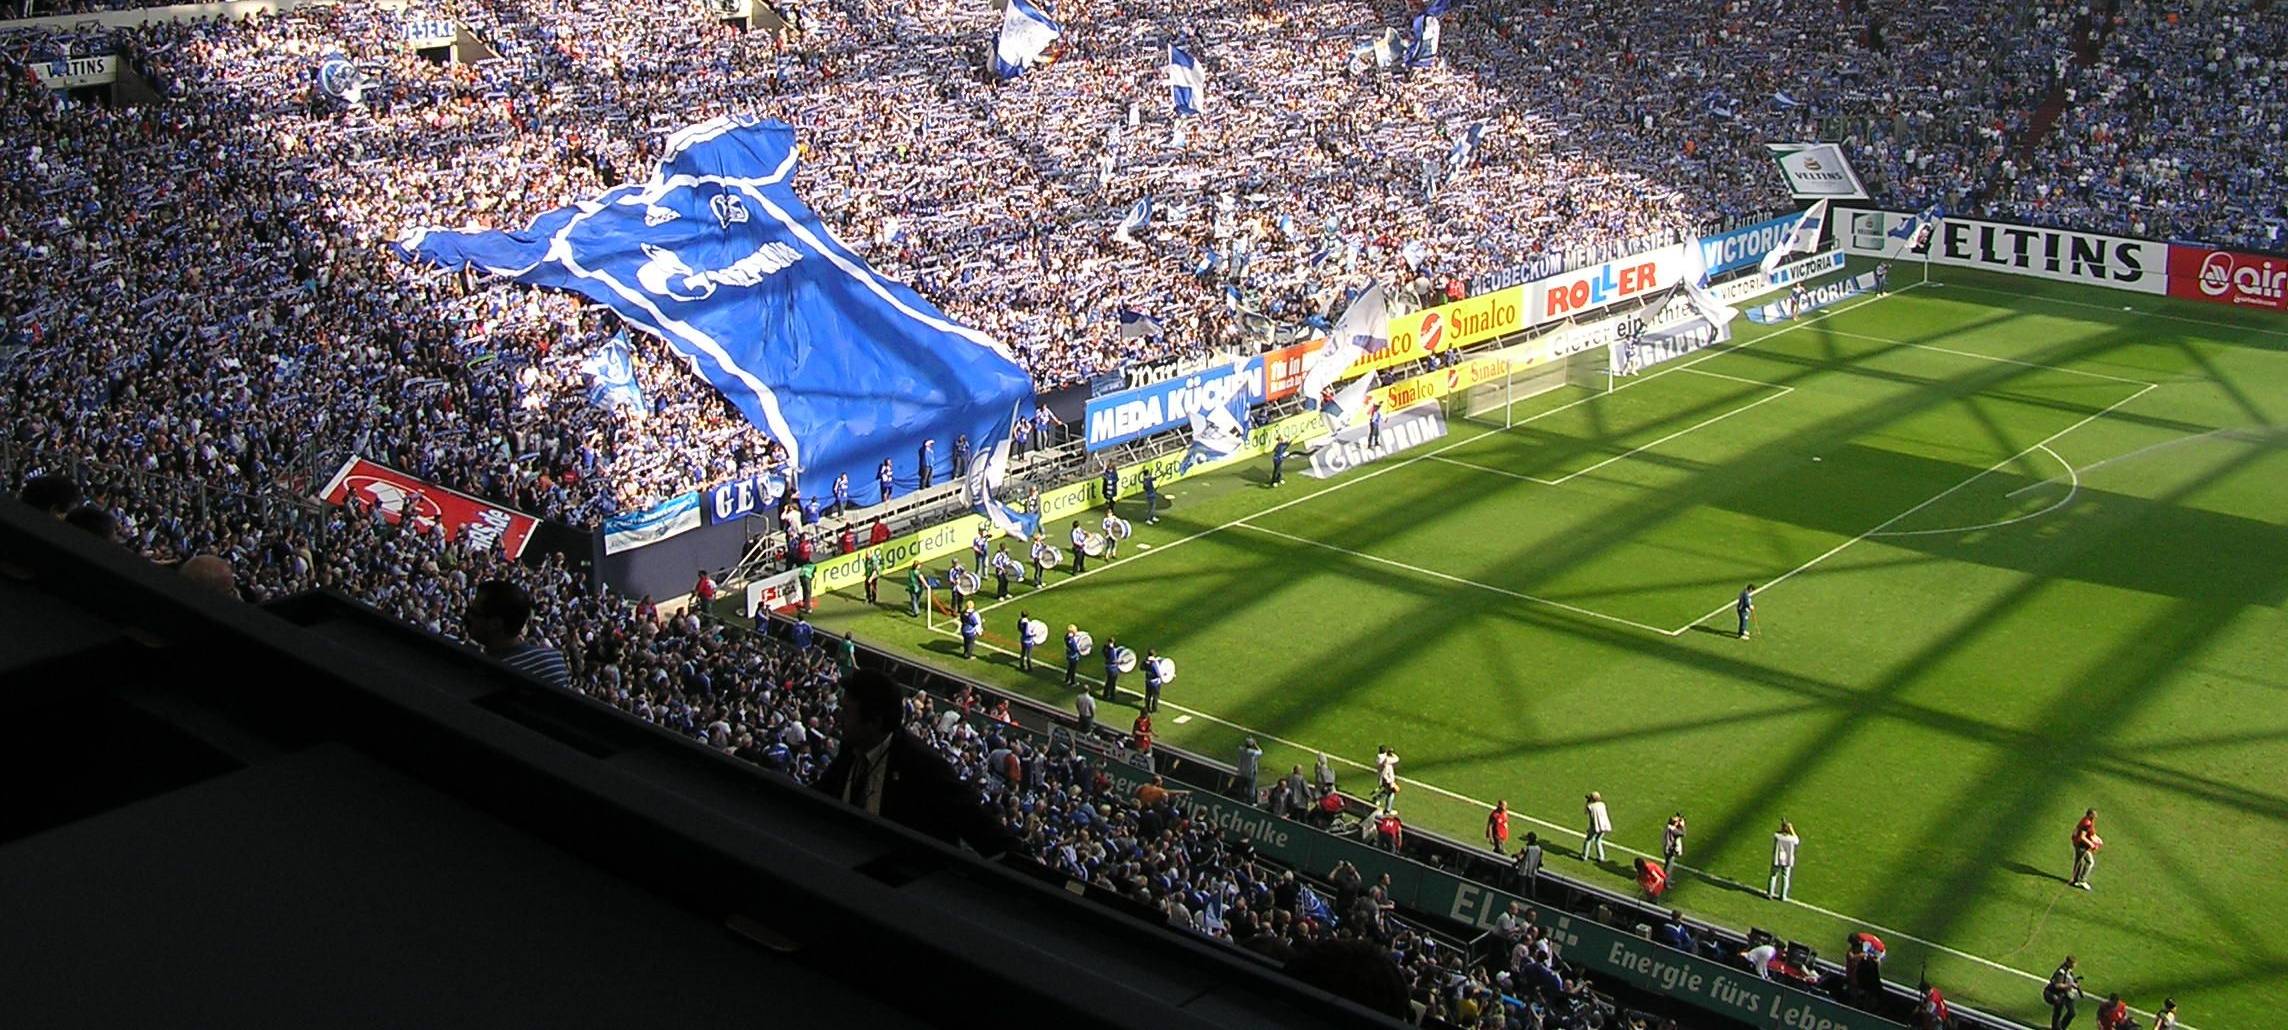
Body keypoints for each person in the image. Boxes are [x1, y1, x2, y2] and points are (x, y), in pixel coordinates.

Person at [814, 669, 1015, 857]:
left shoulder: (924, 767)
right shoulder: (852, 749)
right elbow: (818, 796)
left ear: (874, 721)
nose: (839, 718)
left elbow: (980, 827)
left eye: (847, 712)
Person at [463, 580, 571, 690]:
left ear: (495, 624)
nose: (469, 617)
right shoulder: (553, 661)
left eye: (474, 613)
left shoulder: (480, 673)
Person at [2045, 956, 2083, 1030]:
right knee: (2058, 1011)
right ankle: (2055, 1028)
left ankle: (2062, 1026)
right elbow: (2057, 985)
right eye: (2073, 963)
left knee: (2072, 1013)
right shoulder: (2061, 971)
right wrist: (2070, 985)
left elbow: (2069, 979)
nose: (2075, 965)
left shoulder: (2069, 970)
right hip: (2056, 993)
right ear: (2069, 963)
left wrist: (2074, 981)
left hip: (2065, 993)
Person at [2070, 808, 2101, 891]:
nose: (2096, 816)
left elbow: (2090, 833)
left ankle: (2075, 880)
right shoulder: (2087, 823)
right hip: (2081, 845)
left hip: (2077, 843)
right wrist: (2091, 844)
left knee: (2078, 861)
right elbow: (2082, 836)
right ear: (2090, 815)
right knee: (2090, 862)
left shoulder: (2085, 820)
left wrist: (2097, 839)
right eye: (2094, 815)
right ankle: (2082, 880)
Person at [1770, 820, 1800, 900]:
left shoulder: (1777, 836)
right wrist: (1791, 829)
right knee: (1785, 877)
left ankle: (1770, 893)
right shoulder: (1791, 839)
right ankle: (1783, 896)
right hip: (1787, 859)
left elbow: (1777, 833)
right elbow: (1797, 840)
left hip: (1778, 857)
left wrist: (1784, 826)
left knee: (1773, 875)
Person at [1583, 791, 1613, 861]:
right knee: (1598, 840)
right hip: (1604, 826)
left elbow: (1586, 811)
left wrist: (1588, 802)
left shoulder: (1590, 806)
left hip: (1595, 826)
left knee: (1588, 840)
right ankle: (1601, 857)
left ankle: (1584, 856)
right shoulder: (1602, 804)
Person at [1516, 833, 1544, 897]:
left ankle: (1522, 897)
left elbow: (1521, 858)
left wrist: (1516, 856)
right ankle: (1532, 898)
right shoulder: (1539, 848)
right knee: (1532, 886)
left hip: (1524, 870)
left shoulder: (1528, 848)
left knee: (1522, 887)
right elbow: (1540, 861)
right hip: (1533, 870)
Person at [1102, 635, 1122, 701]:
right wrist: (1119, 661)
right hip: (1112, 667)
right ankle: (1111, 696)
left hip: (1109, 667)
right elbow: (1112, 659)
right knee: (1112, 682)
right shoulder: (1110, 650)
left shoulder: (1106, 648)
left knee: (1109, 681)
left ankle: (1106, 695)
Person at [1063, 624, 1084, 688]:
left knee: (1070, 668)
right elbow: (1075, 649)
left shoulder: (1067, 636)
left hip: (1069, 655)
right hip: (1073, 656)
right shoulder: (1071, 640)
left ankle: (1067, 679)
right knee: (1073, 669)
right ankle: (1072, 682)